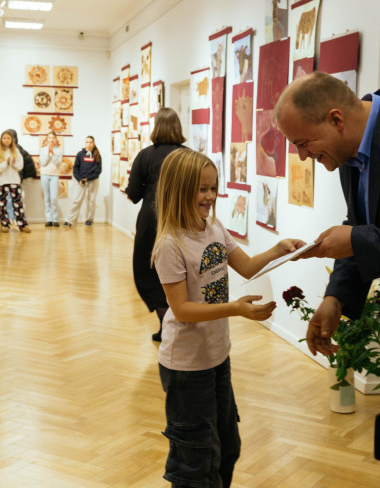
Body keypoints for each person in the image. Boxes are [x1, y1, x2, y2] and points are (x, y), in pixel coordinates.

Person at [152, 148, 304, 487]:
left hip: (217, 357)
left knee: (227, 449)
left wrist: (279, 249)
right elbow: (182, 310)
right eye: (201, 189)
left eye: (213, 187)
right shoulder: (170, 244)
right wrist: (236, 308)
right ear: (179, 189)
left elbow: (247, 266)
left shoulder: (214, 226)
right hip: (187, 367)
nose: (209, 197)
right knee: (196, 464)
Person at [275, 71, 380, 356]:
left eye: (303, 142)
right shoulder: (348, 151)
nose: (302, 156)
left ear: (336, 119)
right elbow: (361, 223)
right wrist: (335, 298)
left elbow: (360, 234)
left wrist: (356, 239)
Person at [125, 107, 186, 342]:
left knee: (147, 272)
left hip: (151, 221)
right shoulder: (187, 156)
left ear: (156, 128)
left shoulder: (145, 155)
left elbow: (133, 193)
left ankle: (166, 323)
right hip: (180, 220)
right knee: (180, 271)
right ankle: (180, 321)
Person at [64, 136, 102, 227]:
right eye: (87, 142)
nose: (88, 144)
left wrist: (88, 178)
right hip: (81, 181)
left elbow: (98, 170)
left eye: (90, 142)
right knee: (76, 200)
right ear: (85, 143)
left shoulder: (97, 155)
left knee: (91, 201)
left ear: (93, 143)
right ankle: (70, 220)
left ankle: (89, 219)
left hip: (93, 181)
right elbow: (75, 169)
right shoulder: (80, 154)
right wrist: (80, 179)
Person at [0, 130, 31, 233]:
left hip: (14, 180)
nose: (6, 140)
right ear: (1, 139)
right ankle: (5, 224)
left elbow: (20, 166)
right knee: (2, 204)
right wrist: (6, 163)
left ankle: (22, 225)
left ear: (12, 140)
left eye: (8, 138)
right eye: (4, 138)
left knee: (18, 203)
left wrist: (12, 164)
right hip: (2, 181)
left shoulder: (16, 151)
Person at [40, 131, 63, 227]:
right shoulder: (42, 150)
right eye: (49, 138)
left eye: (53, 138)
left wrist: (52, 153)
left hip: (54, 176)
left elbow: (58, 163)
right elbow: (43, 163)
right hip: (45, 175)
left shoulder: (59, 150)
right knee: (47, 198)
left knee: (53, 198)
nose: (51, 139)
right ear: (47, 139)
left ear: (56, 139)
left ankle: (55, 219)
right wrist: (48, 154)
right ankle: (49, 219)